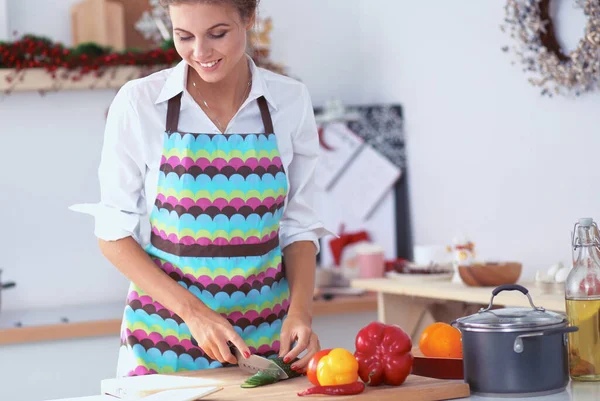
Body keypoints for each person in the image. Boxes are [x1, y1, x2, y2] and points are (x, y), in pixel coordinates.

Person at [70, 0, 332, 377]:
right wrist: (194, 313)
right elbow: (112, 234)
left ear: (249, 18)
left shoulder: (289, 101)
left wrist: (301, 313)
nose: (200, 52)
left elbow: (298, 226)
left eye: (218, 34)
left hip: (266, 344)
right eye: (184, 36)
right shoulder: (141, 102)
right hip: (164, 341)